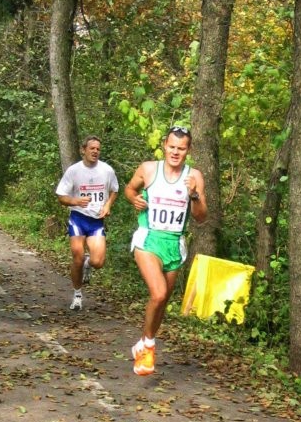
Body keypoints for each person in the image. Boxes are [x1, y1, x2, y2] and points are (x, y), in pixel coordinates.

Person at [124, 125, 207, 375]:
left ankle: (143, 341)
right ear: (164, 145)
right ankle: (148, 346)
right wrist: (134, 199)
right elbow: (130, 189)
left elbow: (202, 217)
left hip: (175, 243)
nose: (175, 152)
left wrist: (193, 195)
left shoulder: (195, 176)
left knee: (162, 302)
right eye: (172, 147)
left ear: (188, 150)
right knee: (158, 294)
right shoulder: (149, 169)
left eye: (181, 149)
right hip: (148, 239)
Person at [56, 135, 119, 311]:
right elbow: (61, 196)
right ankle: (77, 295)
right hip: (78, 218)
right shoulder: (74, 171)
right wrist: (76, 201)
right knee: (77, 256)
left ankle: (87, 264)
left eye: (98, 149)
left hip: (97, 220)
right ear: (83, 150)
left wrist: (107, 205)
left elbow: (115, 190)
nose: (95, 151)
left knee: (98, 261)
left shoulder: (107, 170)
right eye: (92, 148)